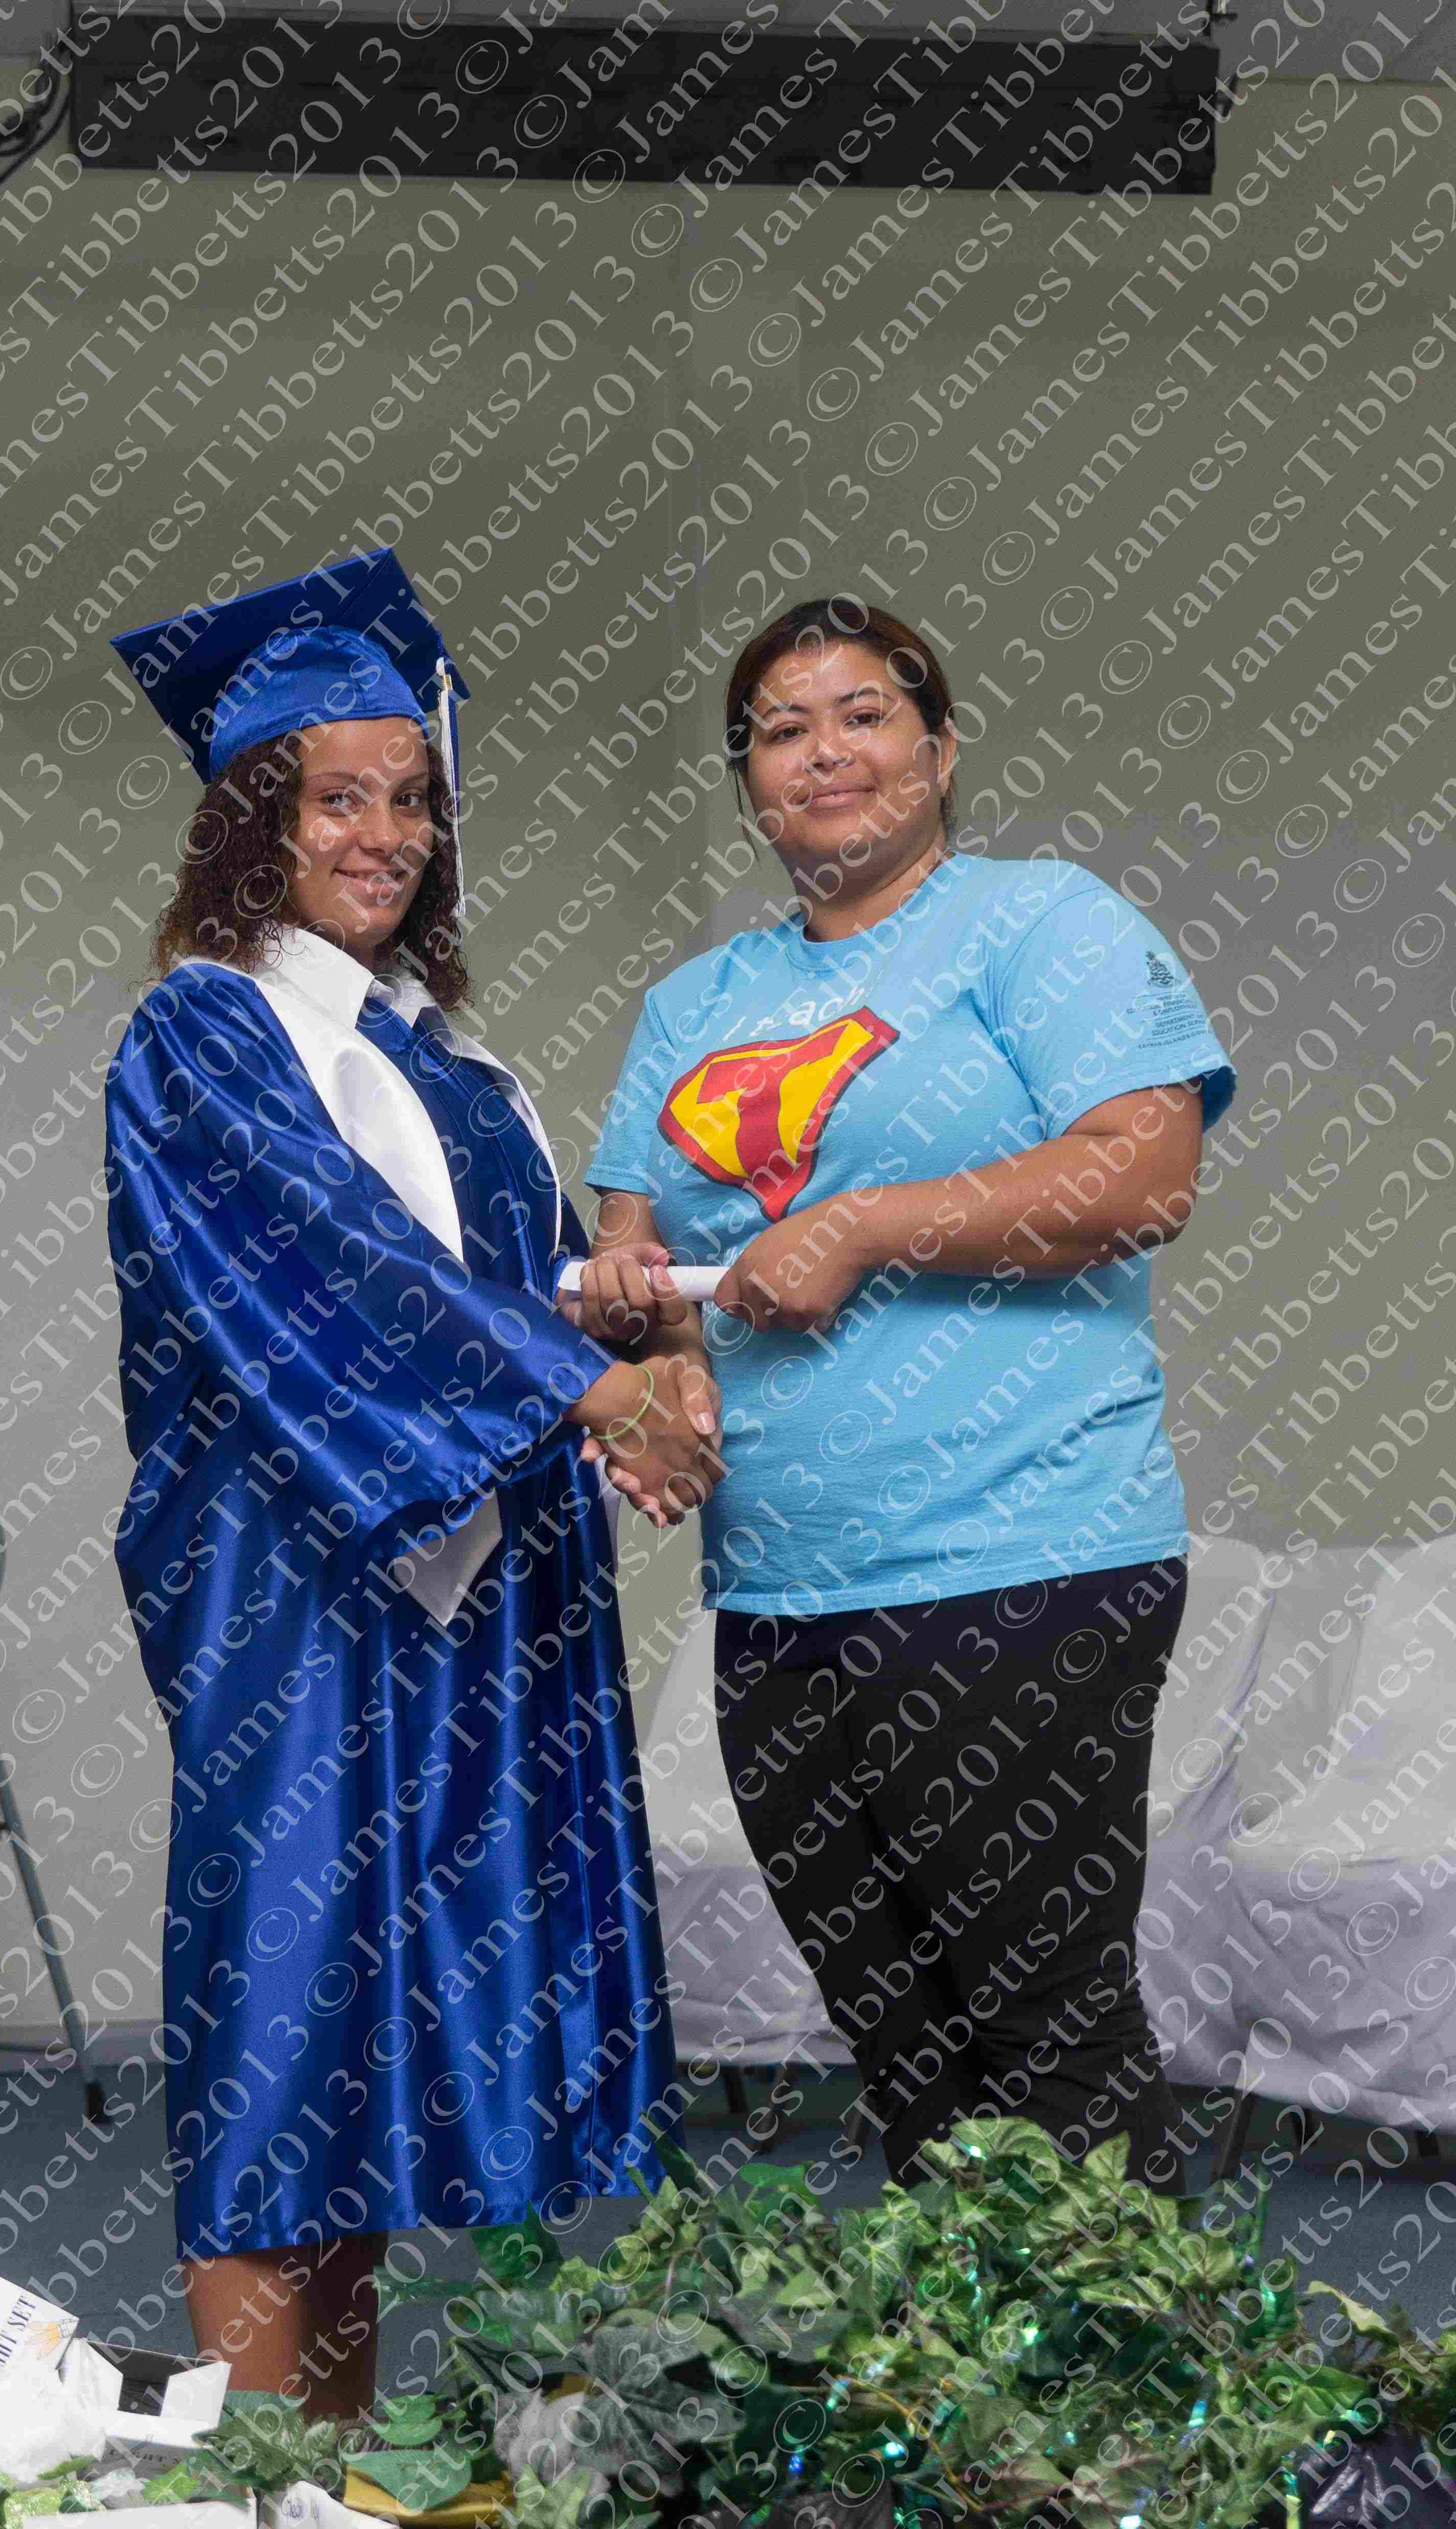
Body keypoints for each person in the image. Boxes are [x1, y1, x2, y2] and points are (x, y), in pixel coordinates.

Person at [101, 549, 722, 2419]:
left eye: (411, 800)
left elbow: (489, 1275)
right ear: (256, 823)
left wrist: (613, 1307)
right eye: (338, 799)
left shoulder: (447, 1057)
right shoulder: (208, 1029)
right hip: (303, 1582)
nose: (383, 836)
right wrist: (590, 1386)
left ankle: (335, 2467)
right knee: (282, 2019)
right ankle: (249, 2481)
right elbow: (327, 1263)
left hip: (477, 1586)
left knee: (360, 2050)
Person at [578, 593, 1238, 2192]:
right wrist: (648, 1376)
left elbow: (1142, 1173)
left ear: (939, 754)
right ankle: (976, 2358)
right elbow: (637, 1259)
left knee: (1048, 2035)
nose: (824, 753)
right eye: (781, 732)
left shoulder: (1040, 925)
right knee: (906, 2050)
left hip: (1018, 1563)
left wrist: (866, 1226)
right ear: (749, 786)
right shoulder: (692, 1003)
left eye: (863, 715)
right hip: (778, 1593)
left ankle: (1134, 2359)